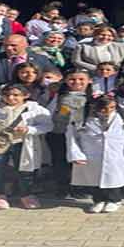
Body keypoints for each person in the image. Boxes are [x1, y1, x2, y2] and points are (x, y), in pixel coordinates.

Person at [66, 96, 124, 214]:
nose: (108, 111)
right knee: (93, 179)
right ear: (93, 106)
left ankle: (114, 200)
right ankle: (98, 200)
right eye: (103, 108)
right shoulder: (80, 117)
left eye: (112, 107)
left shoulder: (123, 117)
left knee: (114, 178)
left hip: (117, 153)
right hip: (91, 153)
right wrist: (76, 154)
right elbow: (71, 137)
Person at [46, 68, 94, 199]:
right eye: (72, 79)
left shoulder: (95, 96)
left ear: (89, 81)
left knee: (81, 162)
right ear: (65, 80)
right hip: (59, 133)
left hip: (83, 135)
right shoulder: (58, 95)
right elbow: (49, 112)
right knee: (60, 162)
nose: (77, 82)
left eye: (81, 79)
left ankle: (80, 188)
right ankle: (62, 188)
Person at [0, 34, 54, 106]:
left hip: (34, 101)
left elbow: (52, 77)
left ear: (26, 45)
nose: (8, 48)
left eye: (13, 45)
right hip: (0, 100)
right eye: (5, 45)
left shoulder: (41, 59)